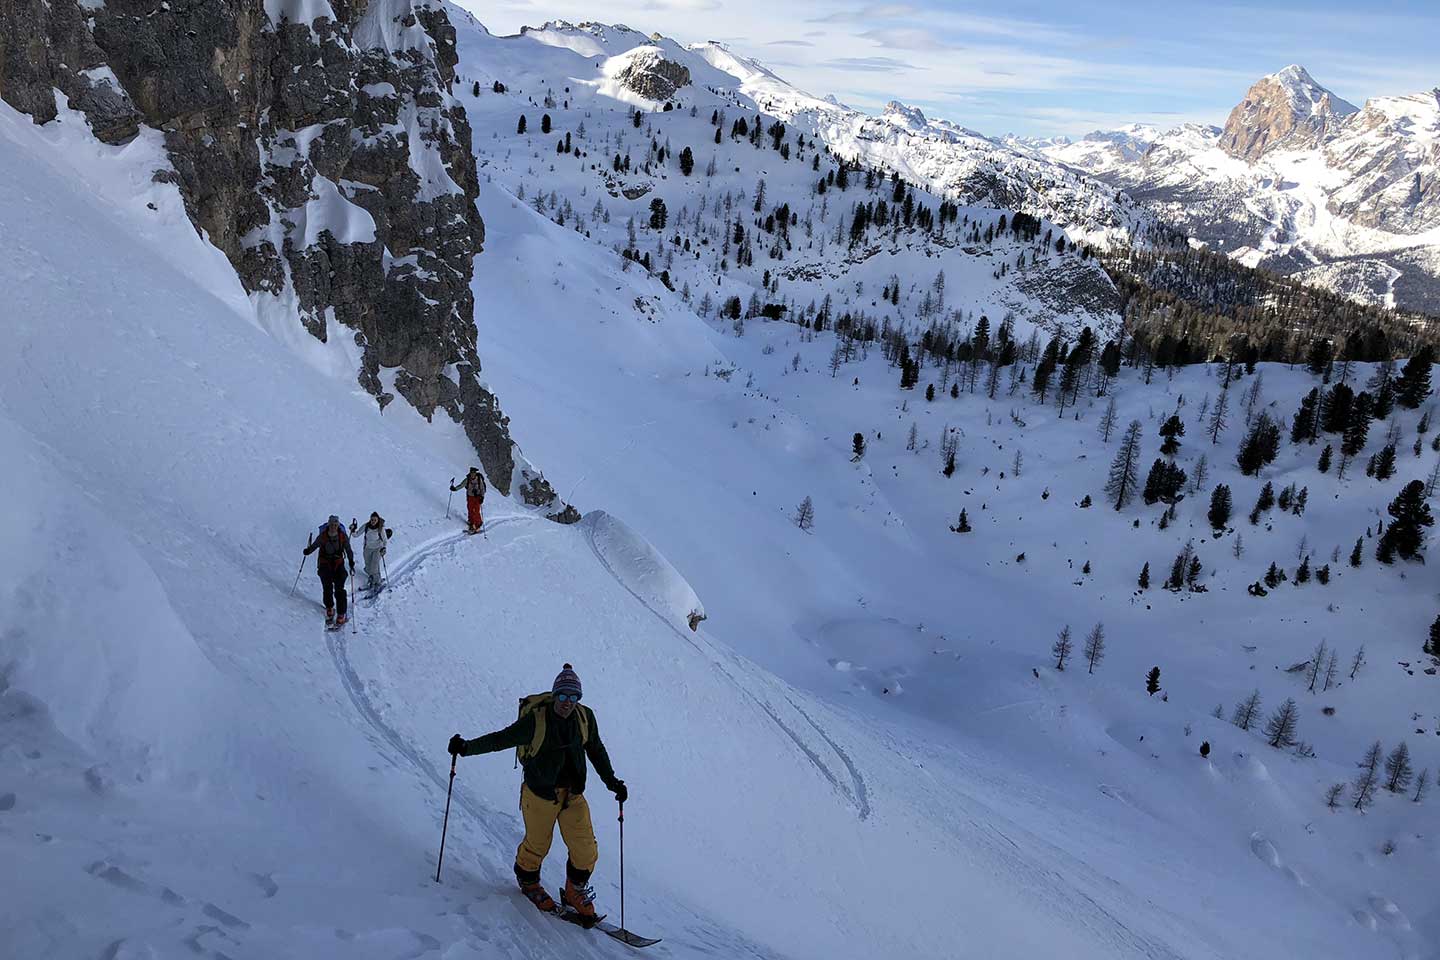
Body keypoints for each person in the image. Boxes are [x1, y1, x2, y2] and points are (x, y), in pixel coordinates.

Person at [448, 664, 627, 921]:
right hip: (540, 794)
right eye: (563, 696)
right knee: (537, 845)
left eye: (573, 697)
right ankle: (528, 881)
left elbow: (596, 750)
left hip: (573, 795)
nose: (567, 703)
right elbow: (502, 739)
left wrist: (613, 783)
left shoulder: (585, 718)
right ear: (555, 695)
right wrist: (466, 747)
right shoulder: (537, 720)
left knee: (586, 849)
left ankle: (575, 891)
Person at [303, 515, 355, 626]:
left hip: (338, 564)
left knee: (339, 589)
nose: (333, 526)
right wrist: (308, 551)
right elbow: (315, 545)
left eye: (335, 524)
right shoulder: (323, 536)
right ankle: (330, 607)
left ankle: (341, 613)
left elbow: (348, 549)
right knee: (327, 587)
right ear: (328, 524)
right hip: (325, 564)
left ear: (338, 525)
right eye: (331, 524)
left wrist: (351, 561)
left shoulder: (342, 536)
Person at [450, 467, 487, 534]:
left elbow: (482, 489)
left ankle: (477, 525)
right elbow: (461, 485)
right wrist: (455, 489)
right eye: (471, 473)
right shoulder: (467, 479)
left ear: (475, 473)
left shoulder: (479, 479)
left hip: (477, 497)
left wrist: (482, 497)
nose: (472, 474)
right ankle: (471, 521)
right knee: (470, 509)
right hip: (470, 497)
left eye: (474, 473)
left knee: (476, 511)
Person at [361, 512, 389, 594]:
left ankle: (378, 582)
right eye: (372, 519)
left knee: (374, 565)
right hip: (367, 548)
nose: (373, 521)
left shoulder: (380, 528)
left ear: (378, 520)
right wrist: (352, 529)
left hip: (378, 548)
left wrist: (384, 548)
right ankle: (372, 578)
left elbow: (385, 540)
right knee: (368, 566)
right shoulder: (366, 526)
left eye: (375, 520)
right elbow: (356, 534)